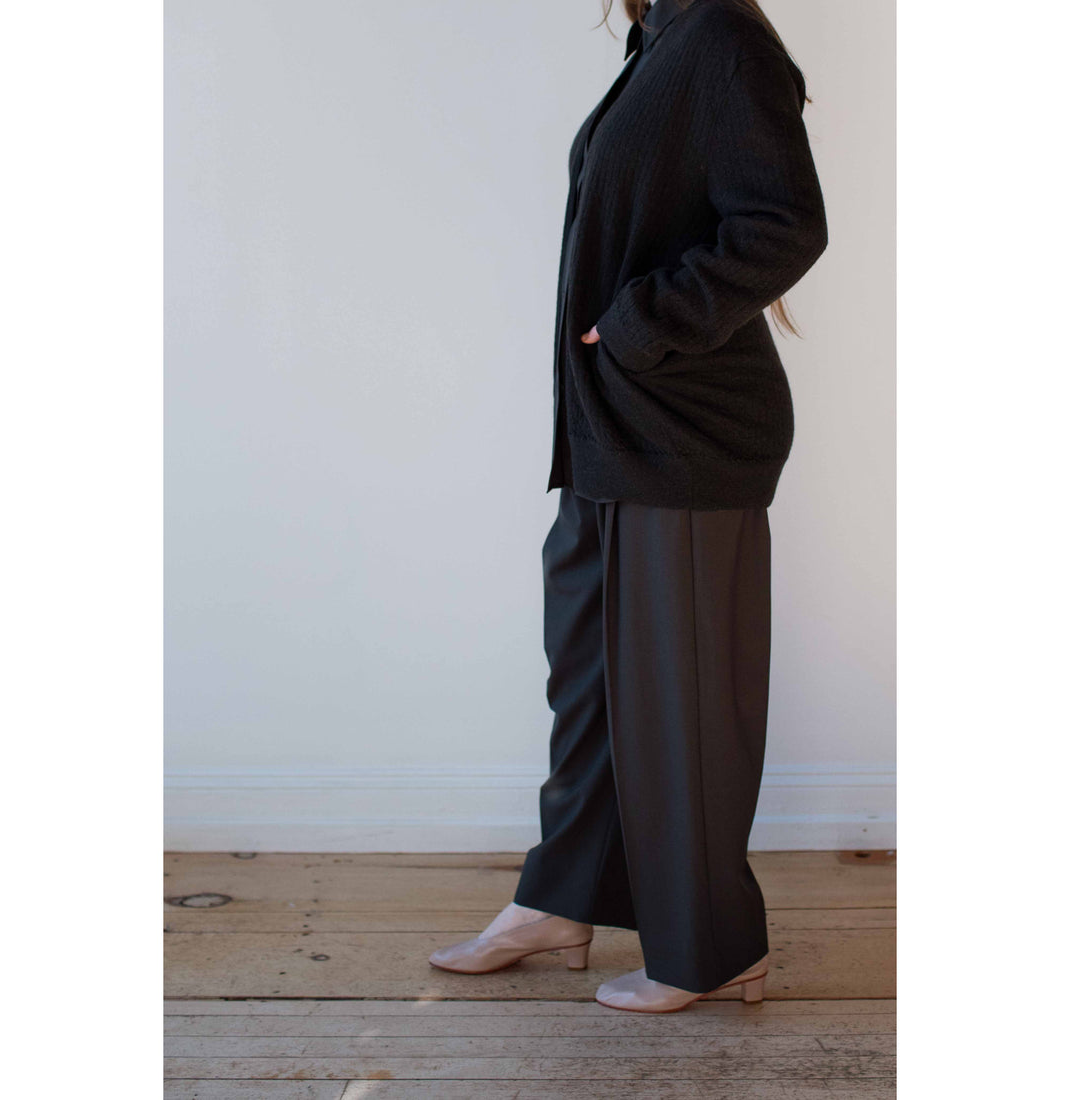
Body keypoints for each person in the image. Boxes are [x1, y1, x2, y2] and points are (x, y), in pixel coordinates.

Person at [429, 0, 828, 1014]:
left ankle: (710, 947)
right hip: (610, 428)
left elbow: (784, 223)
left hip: (688, 429)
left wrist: (640, 322)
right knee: (590, 683)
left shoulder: (724, 41)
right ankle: (561, 897)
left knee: (679, 701)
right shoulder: (663, 38)